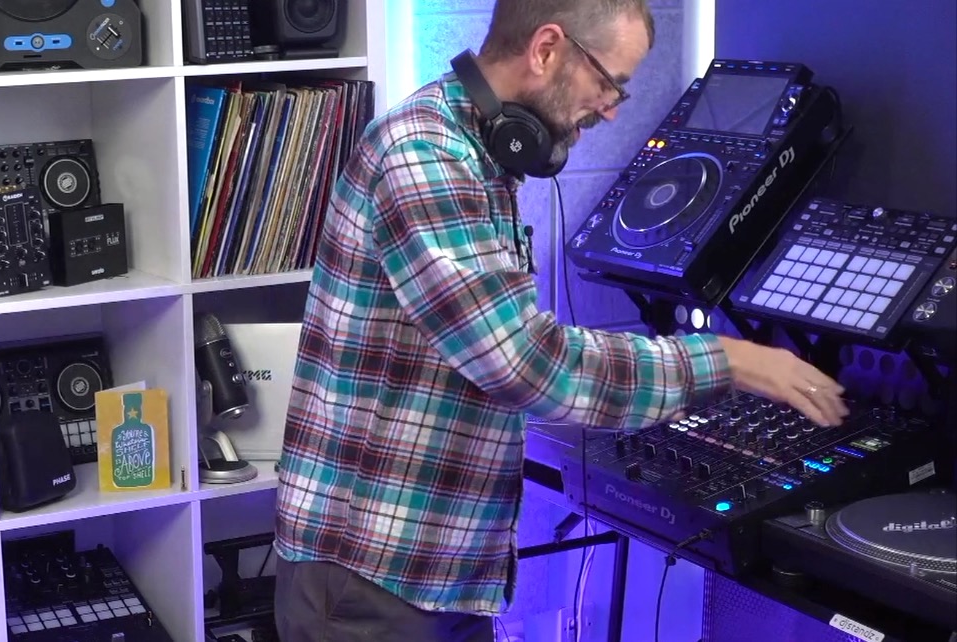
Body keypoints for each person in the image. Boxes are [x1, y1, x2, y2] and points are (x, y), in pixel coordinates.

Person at [272, 1, 849, 640]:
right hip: (374, 579)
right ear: (547, 48)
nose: (611, 108)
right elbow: (525, 366)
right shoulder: (426, 159)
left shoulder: (476, 154)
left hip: (428, 568)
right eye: (608, 82)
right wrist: (729, 359)